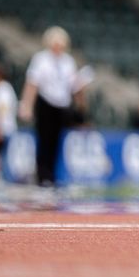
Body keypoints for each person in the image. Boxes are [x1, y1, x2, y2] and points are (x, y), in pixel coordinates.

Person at [22, 26, 81, 188]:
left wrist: (79, 99)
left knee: (56, 141)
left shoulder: (68, 61)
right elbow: (32, 83)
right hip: (45, 103)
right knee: (44, 140)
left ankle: (52, 175)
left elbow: (73, 85)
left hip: (61, 105)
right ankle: (42, 175)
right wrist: (26, 105)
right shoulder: (41, 59)